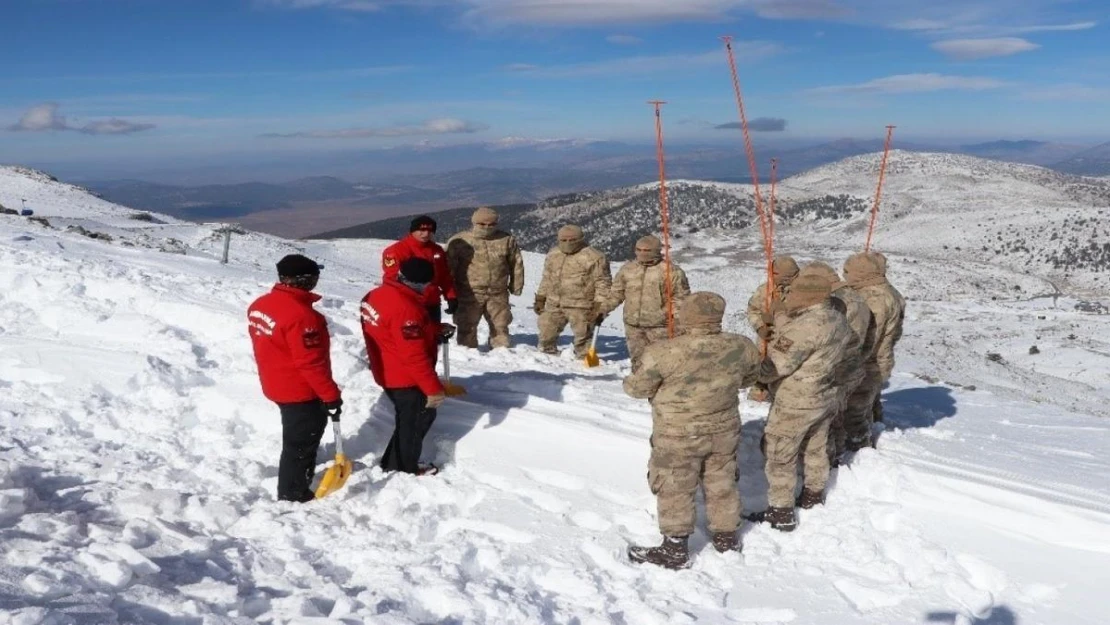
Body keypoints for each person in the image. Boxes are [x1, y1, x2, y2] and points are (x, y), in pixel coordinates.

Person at [623, 292, 761, 569]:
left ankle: (675, 549)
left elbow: (637, 389)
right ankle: (726, 537)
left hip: (678, 432)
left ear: (686, 316)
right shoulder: (742, 346)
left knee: (675, 484)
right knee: (721, 480)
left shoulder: (664, 351)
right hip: (723, 427)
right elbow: (750, 378)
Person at [758, 272, 852, 531]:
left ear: (807, 296)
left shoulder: (806, 327)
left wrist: (754, 370)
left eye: (795, 293)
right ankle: (813, 495)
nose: (790, 297)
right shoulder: (837, 319)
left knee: (780, 455)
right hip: (823, 394)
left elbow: (776, 366)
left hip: (796, 400)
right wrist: (781, 320)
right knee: (815, 447)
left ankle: (781, 512)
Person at [248, 254, 342, 503]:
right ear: (305, 280)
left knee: (297, 437)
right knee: (300, 443)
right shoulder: (304, 318)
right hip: (300, 390)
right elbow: (311, 363)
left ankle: (298, 480)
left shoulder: (260, 305)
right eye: (314, 277)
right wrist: (331, 396)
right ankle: (293, 493)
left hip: (275, 381)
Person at [361, 258, 452, 476]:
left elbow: (392, 328)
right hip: (404, 376)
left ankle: (393, 462)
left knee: (409, 419)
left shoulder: (376, 295)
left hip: (386, 367)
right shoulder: (406, 308)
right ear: (421, 283)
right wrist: (432, 389)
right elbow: (414, 355)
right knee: (417, 419)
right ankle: (403, 468)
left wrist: (433, 329)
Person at [798, 261, 875, 466]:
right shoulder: (857, 298)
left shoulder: (836, 302)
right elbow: (868, 342)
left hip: (837, 369)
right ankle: (839, 455)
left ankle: (831, 461)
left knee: (829, 421)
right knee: (838, 415)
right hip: (852, 366)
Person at [841, 252, 906, 450]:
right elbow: (895, 334)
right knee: (868, 403)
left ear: (862, 273)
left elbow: (867, 338)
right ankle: (873, 427)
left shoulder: (873, 298)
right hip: (880, 360)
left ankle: (860, 449)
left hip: (867, 364)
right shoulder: (891, 292)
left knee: (854, 410)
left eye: (848, 271)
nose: (845, 275)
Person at [603, 235, 691, 371]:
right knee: (638, 361)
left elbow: (681, 299)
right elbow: (616, 293)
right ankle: (638, 387)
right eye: (639, 250)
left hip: (660, 326)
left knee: (661, 363)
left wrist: (673, 320)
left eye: (647, 251)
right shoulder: (627, 269)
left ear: (656, 251)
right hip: (633, 326)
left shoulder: (671, 272)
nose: (642, 253)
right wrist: (602, 310)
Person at [445, 206, 525, 349]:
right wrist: (449, 291)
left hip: (498, 293)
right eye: (482, 224)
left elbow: (516, 263)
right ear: (474, 222)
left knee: (500, 325)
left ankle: (501, 355)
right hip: (469, 293)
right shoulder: (460, 241)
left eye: (491, 224)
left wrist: (516, 285)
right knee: (466, 325)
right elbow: (448, 268)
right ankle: (469, 354)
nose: (487, 227)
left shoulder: (506, 240)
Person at [534, 225, 612, 358]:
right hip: (554, 302)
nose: (568, 243)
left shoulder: (594, 257)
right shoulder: (554, 254)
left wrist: (599, 306)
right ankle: (546, 355)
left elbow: (602, 283)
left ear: (581, 239)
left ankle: (584, 359)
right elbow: (547, 277)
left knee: (583, 335)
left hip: (581, 305)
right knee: (546, 331)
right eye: (563, 240)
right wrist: (541, 297)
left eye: (572, 240)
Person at [381, 215, 457, 326]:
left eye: (430, 230)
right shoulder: (396, 251)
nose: (426, 234)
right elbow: (391, 279)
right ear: (413, 231)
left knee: (432, 338)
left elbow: (443, 276)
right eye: (421, 230)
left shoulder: (437, 250)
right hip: (406, 304)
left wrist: (451, 296)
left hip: (432, 303)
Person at [746, 255, 800, 401]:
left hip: (790, 340)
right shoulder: (766, 290)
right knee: (763, 368)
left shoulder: (801, 292)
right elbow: (753, 310)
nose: (771, 276)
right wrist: (759, 327)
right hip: (767, 340)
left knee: (782, 370)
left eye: (774, 273)